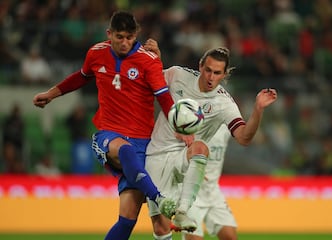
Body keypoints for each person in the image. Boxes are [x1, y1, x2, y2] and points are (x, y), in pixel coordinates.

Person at [32, 11, 176, 240]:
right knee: (124, 150)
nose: (125, 42)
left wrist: (181, 132)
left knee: (128, 220)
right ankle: (159, 198)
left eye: (130, 37)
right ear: (109, 34)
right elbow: (81, 76)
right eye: (119, 37)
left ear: (136, 34)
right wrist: (51, 94)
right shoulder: (96, 53)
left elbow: (165, 99)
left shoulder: (149, 60)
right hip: (109, 135)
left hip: (144, 143)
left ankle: (157, 202)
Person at [143, 39, 277, 240]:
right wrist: (156, 59)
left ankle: (183, 210)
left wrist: (258, 110)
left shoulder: (224, 103)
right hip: (157, 154)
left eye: (216, 73)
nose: (211, 77)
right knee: (161, 230)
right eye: (208, 70)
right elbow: (152, 82)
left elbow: (244, 137)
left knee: (200, 148)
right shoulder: (177, 75)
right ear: (200, 66)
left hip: (185, 159)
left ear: (224, 75)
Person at [181, 124, 237, 240]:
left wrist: (258, 110)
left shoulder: (225, 125)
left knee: (230, 237)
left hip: (213, 192)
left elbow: (245, 135)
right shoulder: (191, 123)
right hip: (191, 193)